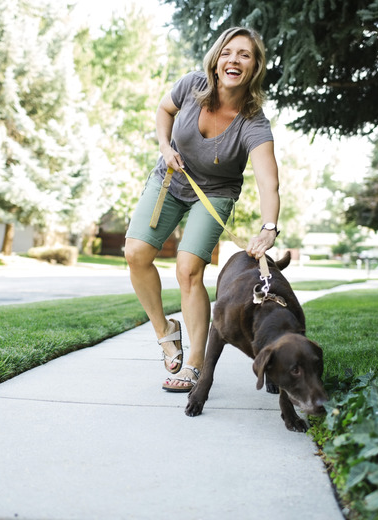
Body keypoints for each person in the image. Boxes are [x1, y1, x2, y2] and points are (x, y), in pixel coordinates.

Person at [124, 26, 280, 392]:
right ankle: (165, 331)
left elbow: (267, 182)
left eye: (245, 55)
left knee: (188, 269)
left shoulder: (253, 123)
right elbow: (164, 109)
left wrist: (269, 227)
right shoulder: (192, 86)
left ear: (254, 66)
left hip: (215, 194)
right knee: (135, 253)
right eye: (228, 52)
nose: (234, 60)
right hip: (169, 180)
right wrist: (165, 146)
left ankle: (194, 362)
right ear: (217, 58)